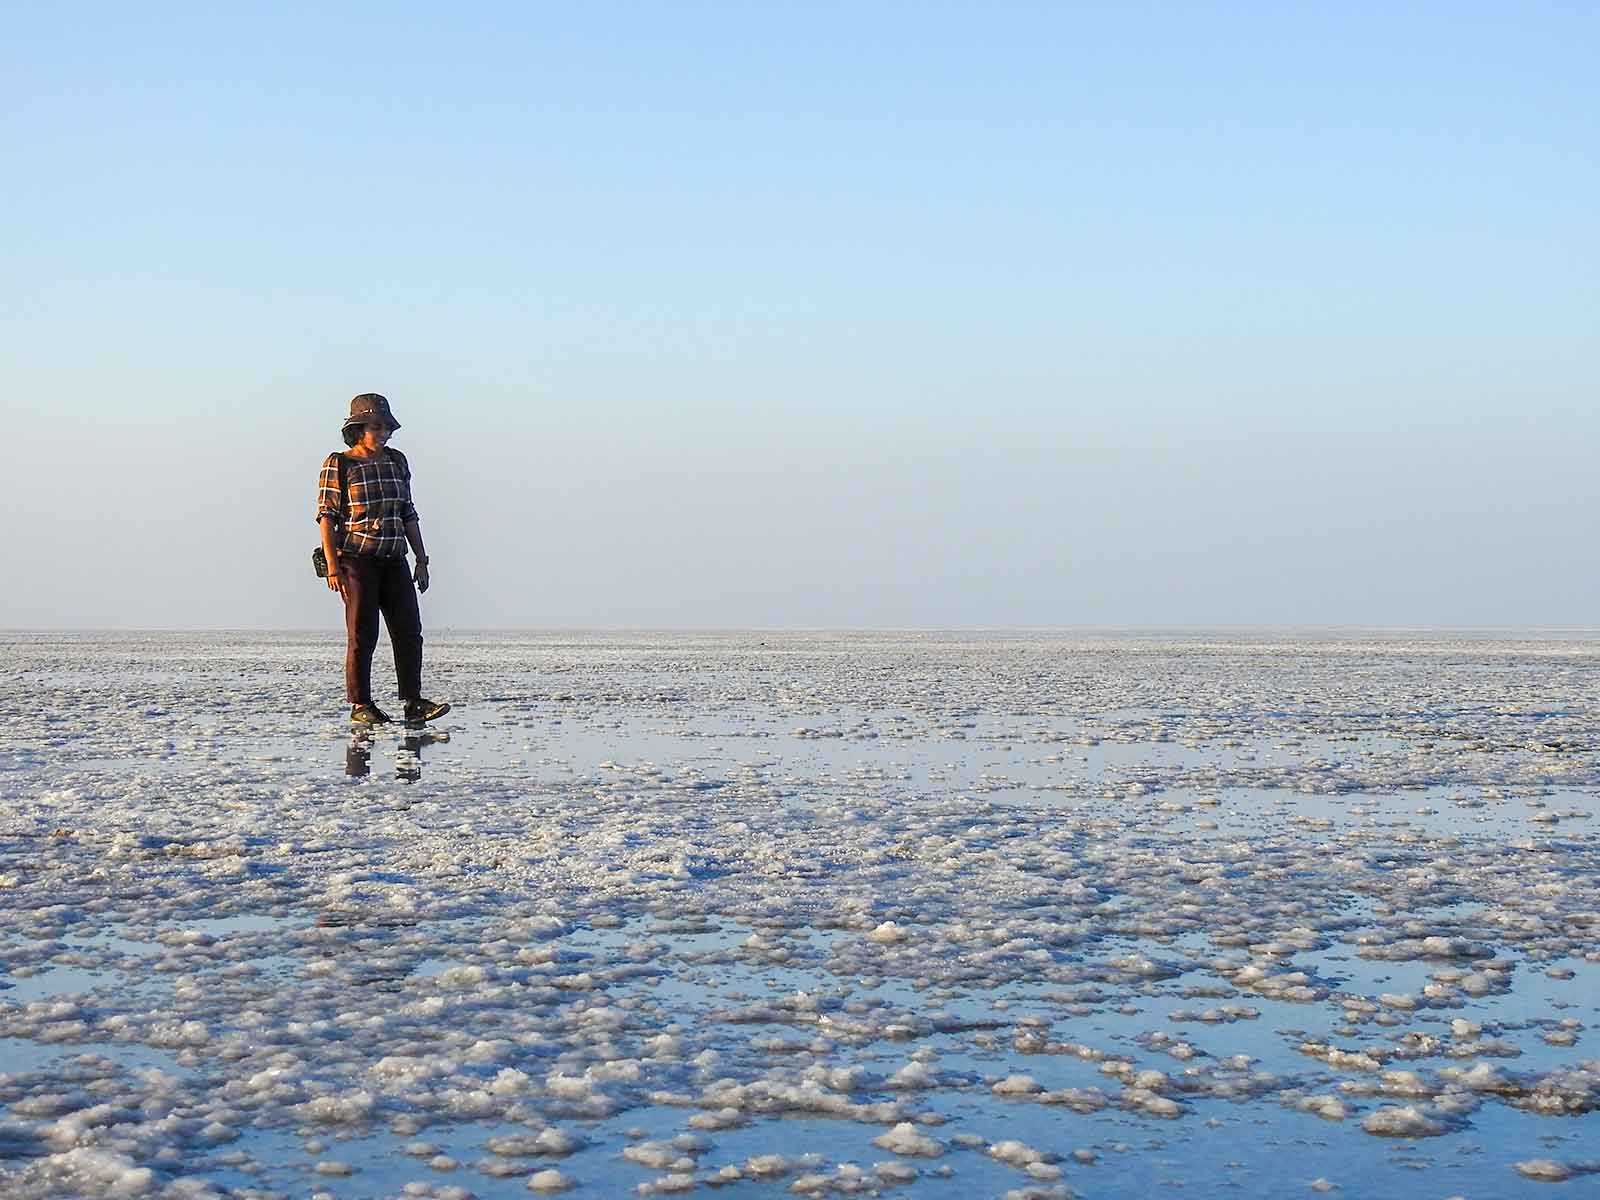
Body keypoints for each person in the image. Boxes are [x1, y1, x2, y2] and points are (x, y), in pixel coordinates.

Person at [316, 393, 451, 726]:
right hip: (357, 560)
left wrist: (421, 558)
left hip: (394, 559)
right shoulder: (340, 464)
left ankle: (413, 702)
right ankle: (361, 704)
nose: (383, 434)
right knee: (363, 633)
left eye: (387, 428)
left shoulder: (397, 461)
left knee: (409, 631)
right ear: (359, 429)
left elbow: (408, 512)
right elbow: (327, 518)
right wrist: (333, 566)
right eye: (376, 427)